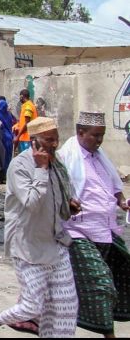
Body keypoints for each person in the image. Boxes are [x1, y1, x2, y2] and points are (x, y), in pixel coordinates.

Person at [0, 117, 80, 338]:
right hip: (28, 248)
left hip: (56, 243)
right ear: (34, 142)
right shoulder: (20, 166)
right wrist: (41, 169)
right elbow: (32, 203)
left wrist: (68, 203)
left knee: (66, 309)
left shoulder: (57, 162)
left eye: (56, 139)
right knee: (32, 306)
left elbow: (58, 194)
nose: (54, 144)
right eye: (49, 140)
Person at [59, 112, 130, 338]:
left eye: (102, 136)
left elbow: (113, 185)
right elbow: (57, 190)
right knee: (101, 283)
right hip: (78, 231)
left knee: (119, 277)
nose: (99, 141)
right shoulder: (66, 157)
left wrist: (122, 201)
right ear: (81, 133)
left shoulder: (100, 157)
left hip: (105, 229)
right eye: (95, 136)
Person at [14, 89, 38, 153]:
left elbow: (27, 123)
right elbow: (23, 121)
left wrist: (18, 136)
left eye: (20, 97)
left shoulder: (28, 106)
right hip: (26, 137)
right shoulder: (27, 105)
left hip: (27, 138)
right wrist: (17, 125)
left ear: (22, 96)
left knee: (26, 159)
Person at [0, 97, 15, 172]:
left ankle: (4, 172)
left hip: (3, 137)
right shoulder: (9, 114)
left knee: (2, 156)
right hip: (10, 137)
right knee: (9, 155)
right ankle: (8, 171)